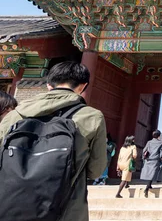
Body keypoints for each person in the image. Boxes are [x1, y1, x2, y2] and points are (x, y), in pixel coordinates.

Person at [0, 61, 107, 221]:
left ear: (49, 84)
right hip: (66, 209)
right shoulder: (91, 117)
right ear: (83, 86)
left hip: (11, 203)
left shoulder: (15, 114)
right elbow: (95, 170)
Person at [140, 130, 162, 197]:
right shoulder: (161, 143)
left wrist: (144, 157)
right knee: (152, 173)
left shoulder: (149, 142)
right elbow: (161, 153)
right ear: (159, 135)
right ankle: (147, 187)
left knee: (149, 173)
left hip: (148, 160)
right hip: (155, 160)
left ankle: (149, 185)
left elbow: (144, 150)